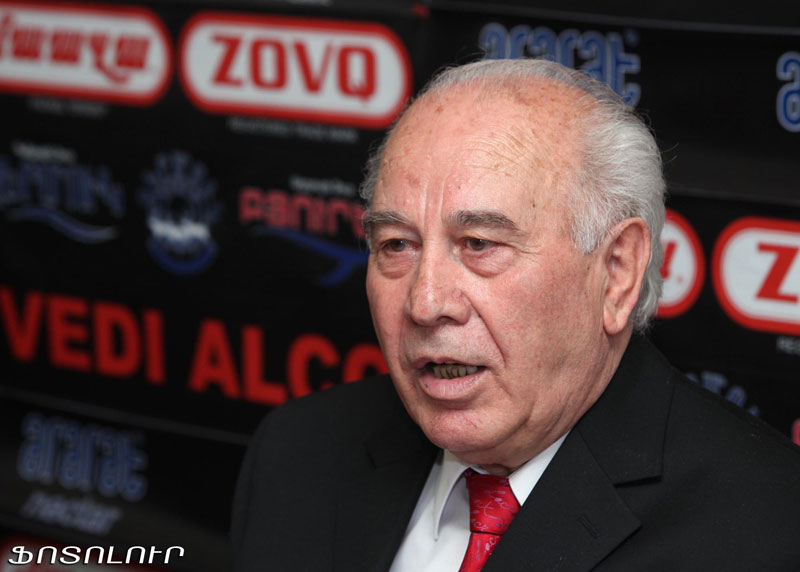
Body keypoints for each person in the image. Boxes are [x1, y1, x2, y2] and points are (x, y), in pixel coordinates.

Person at [231, 59, 800, 572]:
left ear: (617, 272)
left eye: (479, 244)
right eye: (397, 245)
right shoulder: (299, 453)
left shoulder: (767, 528)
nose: (425, 303)